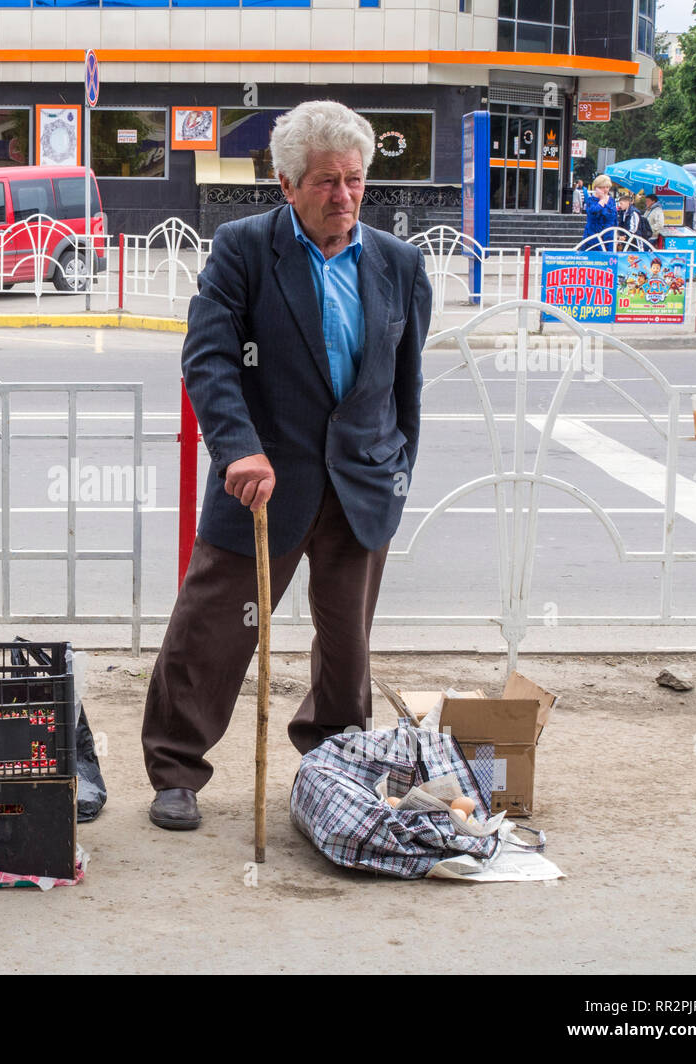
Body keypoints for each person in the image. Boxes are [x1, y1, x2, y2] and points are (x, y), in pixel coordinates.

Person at [140, 101, 432, 830]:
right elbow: (209, 359)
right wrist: (238, 447)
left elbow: (406, 385)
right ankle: (177, 769)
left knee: (347, 643)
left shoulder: (399, 264)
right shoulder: (243, 249)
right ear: (287, 185)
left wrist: (396, 469)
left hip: (361, 482)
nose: (344, 196)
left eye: (355, 181)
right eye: (327, 182)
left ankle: (333, 761)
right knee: (212, 627)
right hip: (262, 483)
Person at [582, 174, 616, 249]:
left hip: (608, 234)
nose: (605, 190)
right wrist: (602, 200)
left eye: (607, 187)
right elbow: (593, 213)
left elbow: (613, 217)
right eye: (602, 187)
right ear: (596, 188)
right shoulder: (591, 200)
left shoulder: (611, 200)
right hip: (593, 234)